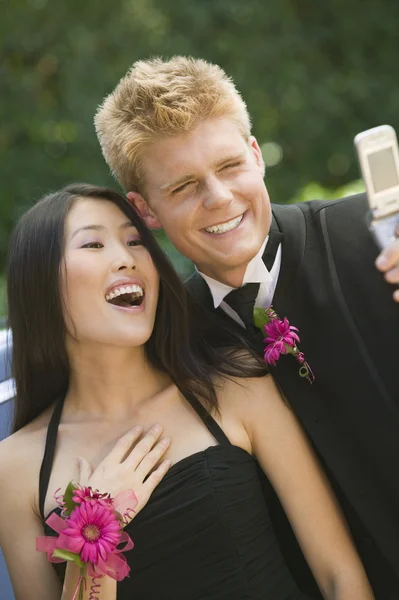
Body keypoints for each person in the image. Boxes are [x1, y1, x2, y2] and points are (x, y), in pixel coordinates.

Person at [94, 56, 399, 598]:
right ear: (145, 210)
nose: (219, 198)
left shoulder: (377, 236)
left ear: (256, 156)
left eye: (230, 165)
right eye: (185, 185)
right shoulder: (164, 344)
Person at [0, 184, 374, 600]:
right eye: (93, 243)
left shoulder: (234, 386)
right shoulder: (14, 468)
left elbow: (340, 577)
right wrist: (100, 520)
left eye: (135, 240)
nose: (126, 258)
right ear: (39, 283)